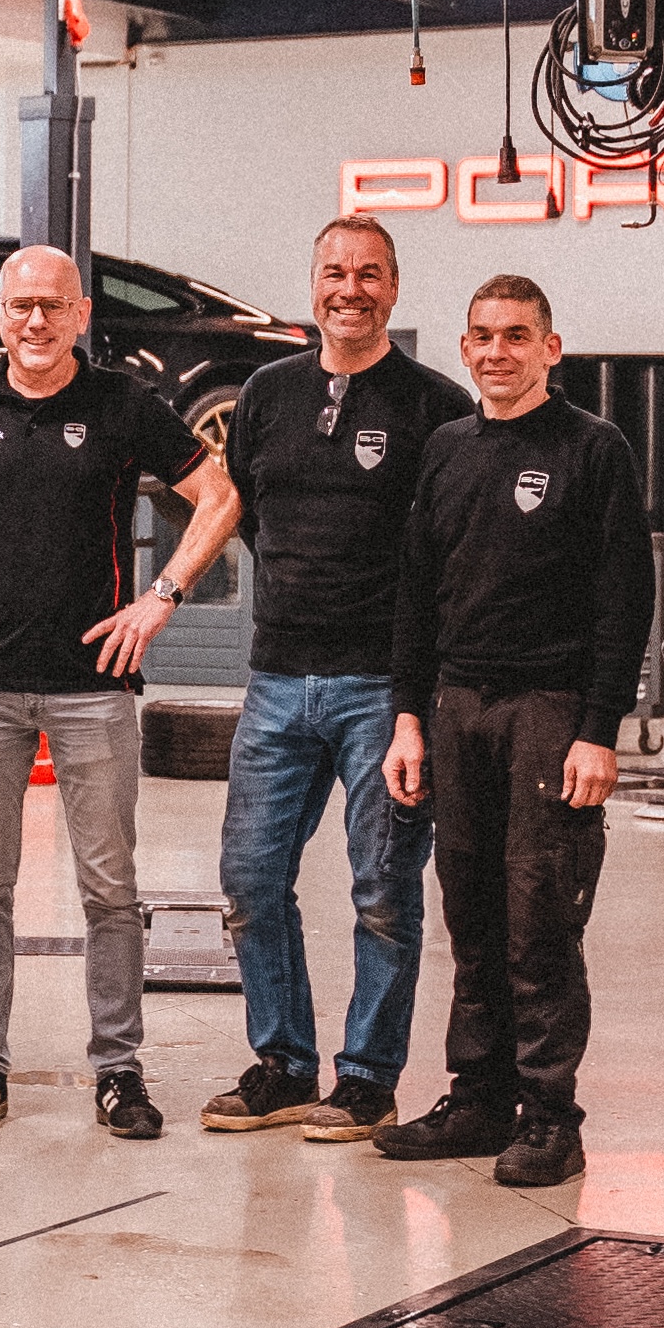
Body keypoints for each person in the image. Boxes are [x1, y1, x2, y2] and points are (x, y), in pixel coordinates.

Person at [0, 245, 239, 1142]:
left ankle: (119, 1068)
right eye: (20, 306)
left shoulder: (124, 403)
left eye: (54, 305)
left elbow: (219, 495)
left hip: (95, 689)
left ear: (82, 315)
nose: (37, 320)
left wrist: (161, 599)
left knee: (111, 888)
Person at [202, 216, 475, 1144]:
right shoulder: (267, 394)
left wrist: (416, 699)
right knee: (249, 878)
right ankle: (283, 1063)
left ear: (393, 288)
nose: (349, 288)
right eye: (333, 271)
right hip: (277, 678)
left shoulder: (435, 405)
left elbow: (445, 551)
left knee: (383, 891)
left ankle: (366, 1077)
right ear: (312, 282)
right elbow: (250, 512)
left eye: (368, 273)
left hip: (382, 689)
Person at [377, 275, 652, 1189]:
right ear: (464, 348)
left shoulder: (593, 448)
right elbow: (416, 595)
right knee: (471, 913)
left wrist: (598, 729)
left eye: (517, 335)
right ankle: (479, 1097)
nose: (497, 351)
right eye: (483, 336)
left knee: (540, 917)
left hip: (549, 710)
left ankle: (549, 1116)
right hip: (458, 707)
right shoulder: (447, 449)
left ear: (550, 348)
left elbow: (623, 600)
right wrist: (409, 715)